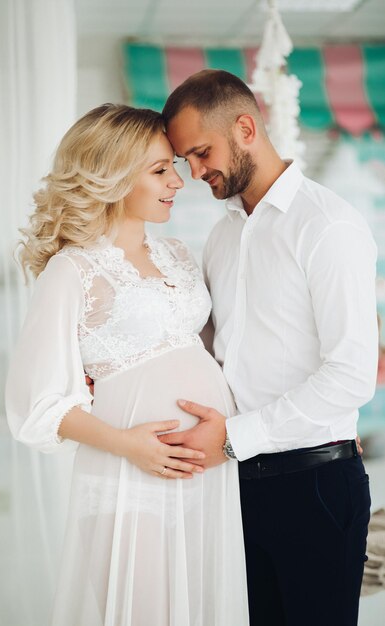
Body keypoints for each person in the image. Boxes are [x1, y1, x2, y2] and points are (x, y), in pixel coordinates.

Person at [5, 104, 249, 626]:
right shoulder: (71, 272)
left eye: (175, 167)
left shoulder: (180, 255)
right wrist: (131, 446)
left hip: (208, 474)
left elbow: (221, 354)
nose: (178, 182)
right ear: (112, 176)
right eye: (159, 169)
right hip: (128, 477)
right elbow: (37, 406)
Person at [160, 70, 378, 626]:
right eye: (185, 160)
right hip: (235, 484)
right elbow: (204, 346)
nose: (195, 172)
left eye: (201, 152)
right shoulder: (221, 236)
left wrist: (232, 439)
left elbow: (353, 375)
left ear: (246, 127)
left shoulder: (328, 226)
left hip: (316, 485)